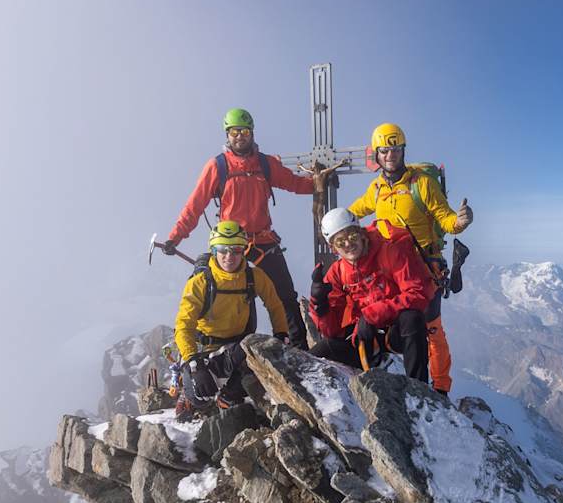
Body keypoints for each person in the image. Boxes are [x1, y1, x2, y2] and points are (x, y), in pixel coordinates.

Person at [160, 108, 335, 350]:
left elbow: (293, 183)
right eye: (234, 132)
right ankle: (224, 350)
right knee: (224, 296)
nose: (239, 136)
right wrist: (175, 237)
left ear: (252, 133)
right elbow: (195, 204)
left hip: (263, 239)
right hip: (231, 244)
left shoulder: (265, 163)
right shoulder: (217, 167)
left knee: (285, 295)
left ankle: (297, 348)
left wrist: (319, 184)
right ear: (227, 135)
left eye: (244, 131)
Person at [347, 123, 473, 394]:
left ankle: (439, 388)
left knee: (431, 329)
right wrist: (333, 222)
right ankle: (395, 375)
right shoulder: (377, 188)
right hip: (391, 271)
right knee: (401, 323)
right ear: (376, 155)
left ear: (403, 151)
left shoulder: (422, 184)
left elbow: (446, 218)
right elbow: (355, 210)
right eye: (384, 150)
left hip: (424, 268)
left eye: (395, 149)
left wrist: (460, 223)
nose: (390, 155)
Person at [173, 220, 290, 420]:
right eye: (223, 250)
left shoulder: (254, 276)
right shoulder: (200, 283)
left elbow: (275, 304)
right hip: (205, 349)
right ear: (213, 250)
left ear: (244, 250)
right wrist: (194, 365)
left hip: (238, 346)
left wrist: (281, 334)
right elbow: (184, 326)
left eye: (236, 250)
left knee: (262, 366)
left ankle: (229, 395)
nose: (230, 256)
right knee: (200, 397)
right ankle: (189, 392)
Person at [308, 209, 435, 383]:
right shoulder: (337, 272)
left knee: (412, 318)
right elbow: (332, 331)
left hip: (396, 332)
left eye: (352, 236)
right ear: (333, 248)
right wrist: (319, 304)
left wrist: (372, 315)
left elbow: (417, 293)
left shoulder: (388, 252)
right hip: (366, 338)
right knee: (321, 351)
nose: (348, 244)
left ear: (361, 234)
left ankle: (418, 388)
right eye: (340, 241)